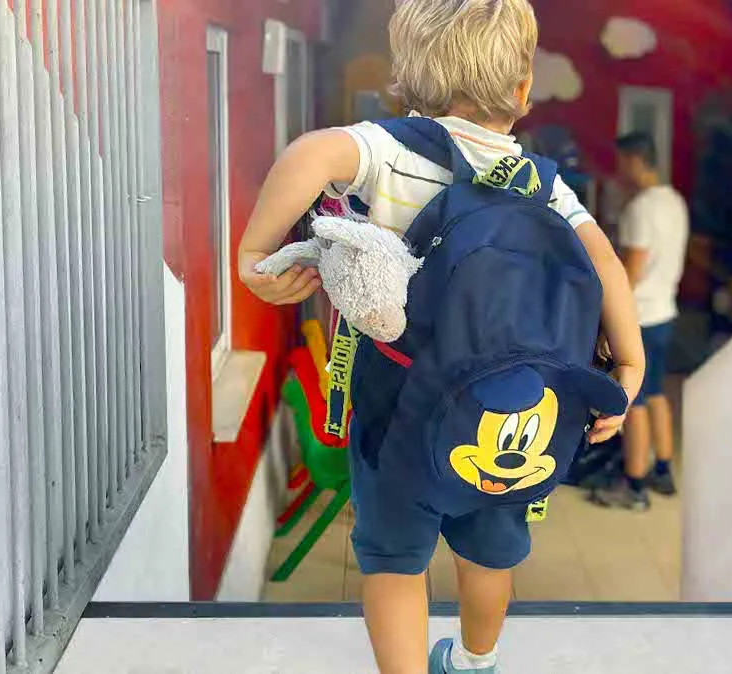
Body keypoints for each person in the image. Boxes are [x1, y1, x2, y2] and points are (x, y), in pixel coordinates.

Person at [237, 2, 645, 672]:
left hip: (398, 407)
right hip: (508, 410)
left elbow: (309, 153)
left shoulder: (388, 150)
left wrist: (254, 253)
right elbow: (604, 265)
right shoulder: (542, 186)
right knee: (489, 553)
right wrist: (626, 364)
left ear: (406, 78)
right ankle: (474, 660)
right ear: (523, 89)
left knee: (395, 562)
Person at [591, 132, 689, 511]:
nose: (618, 171)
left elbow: (628, 273)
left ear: (634, 160)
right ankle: (662, 470)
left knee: (634, 401)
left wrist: (609, 319)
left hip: (641, 318)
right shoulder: (673, 200)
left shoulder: (640, 209)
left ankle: (634, 487)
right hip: (665, 311)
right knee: (657, 391)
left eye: (621, 163)